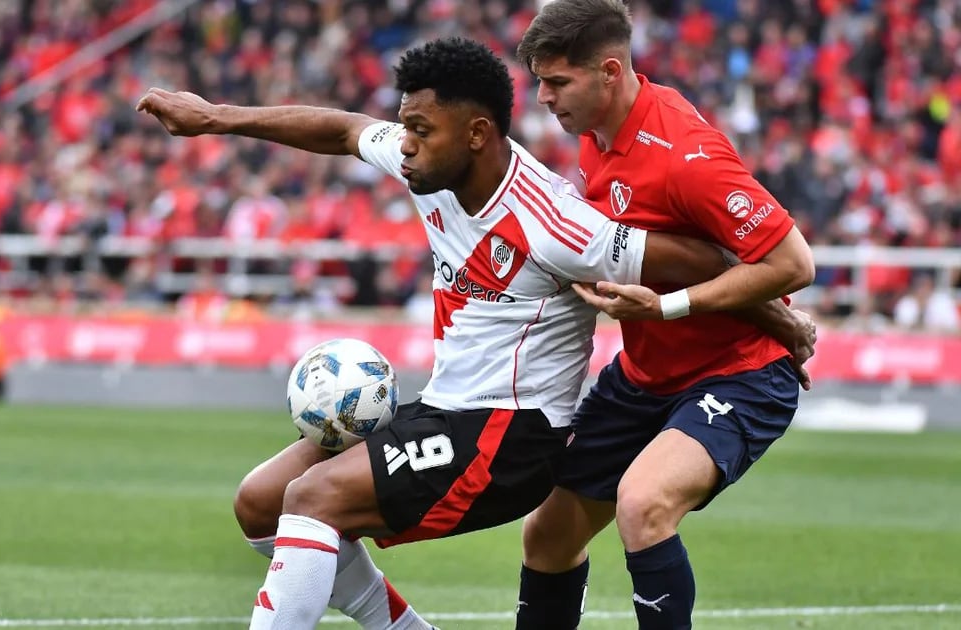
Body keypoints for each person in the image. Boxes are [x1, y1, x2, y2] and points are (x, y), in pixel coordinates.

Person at [137, 38, 809, 630]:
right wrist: (215, 119)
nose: (405, 143)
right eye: (405, 126)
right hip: (445, 410)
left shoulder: (556, 222)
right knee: (260, 502)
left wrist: (774, 314)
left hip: (509, 436)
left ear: (478, 134)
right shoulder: (425, 165)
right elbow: (343, 130)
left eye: (421, 130)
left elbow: (693, 257)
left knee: (313, 499)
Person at [512, 2, 817, 628]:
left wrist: (669, 306)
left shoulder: (684, 154)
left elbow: (793, 264)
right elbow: (698, 253)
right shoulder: (598, 136)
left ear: (610, 71)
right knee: (547, 536)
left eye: (557, 82)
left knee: (643, 504)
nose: (542, 98)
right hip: (646, 375)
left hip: (740, 373)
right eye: (540, 81)